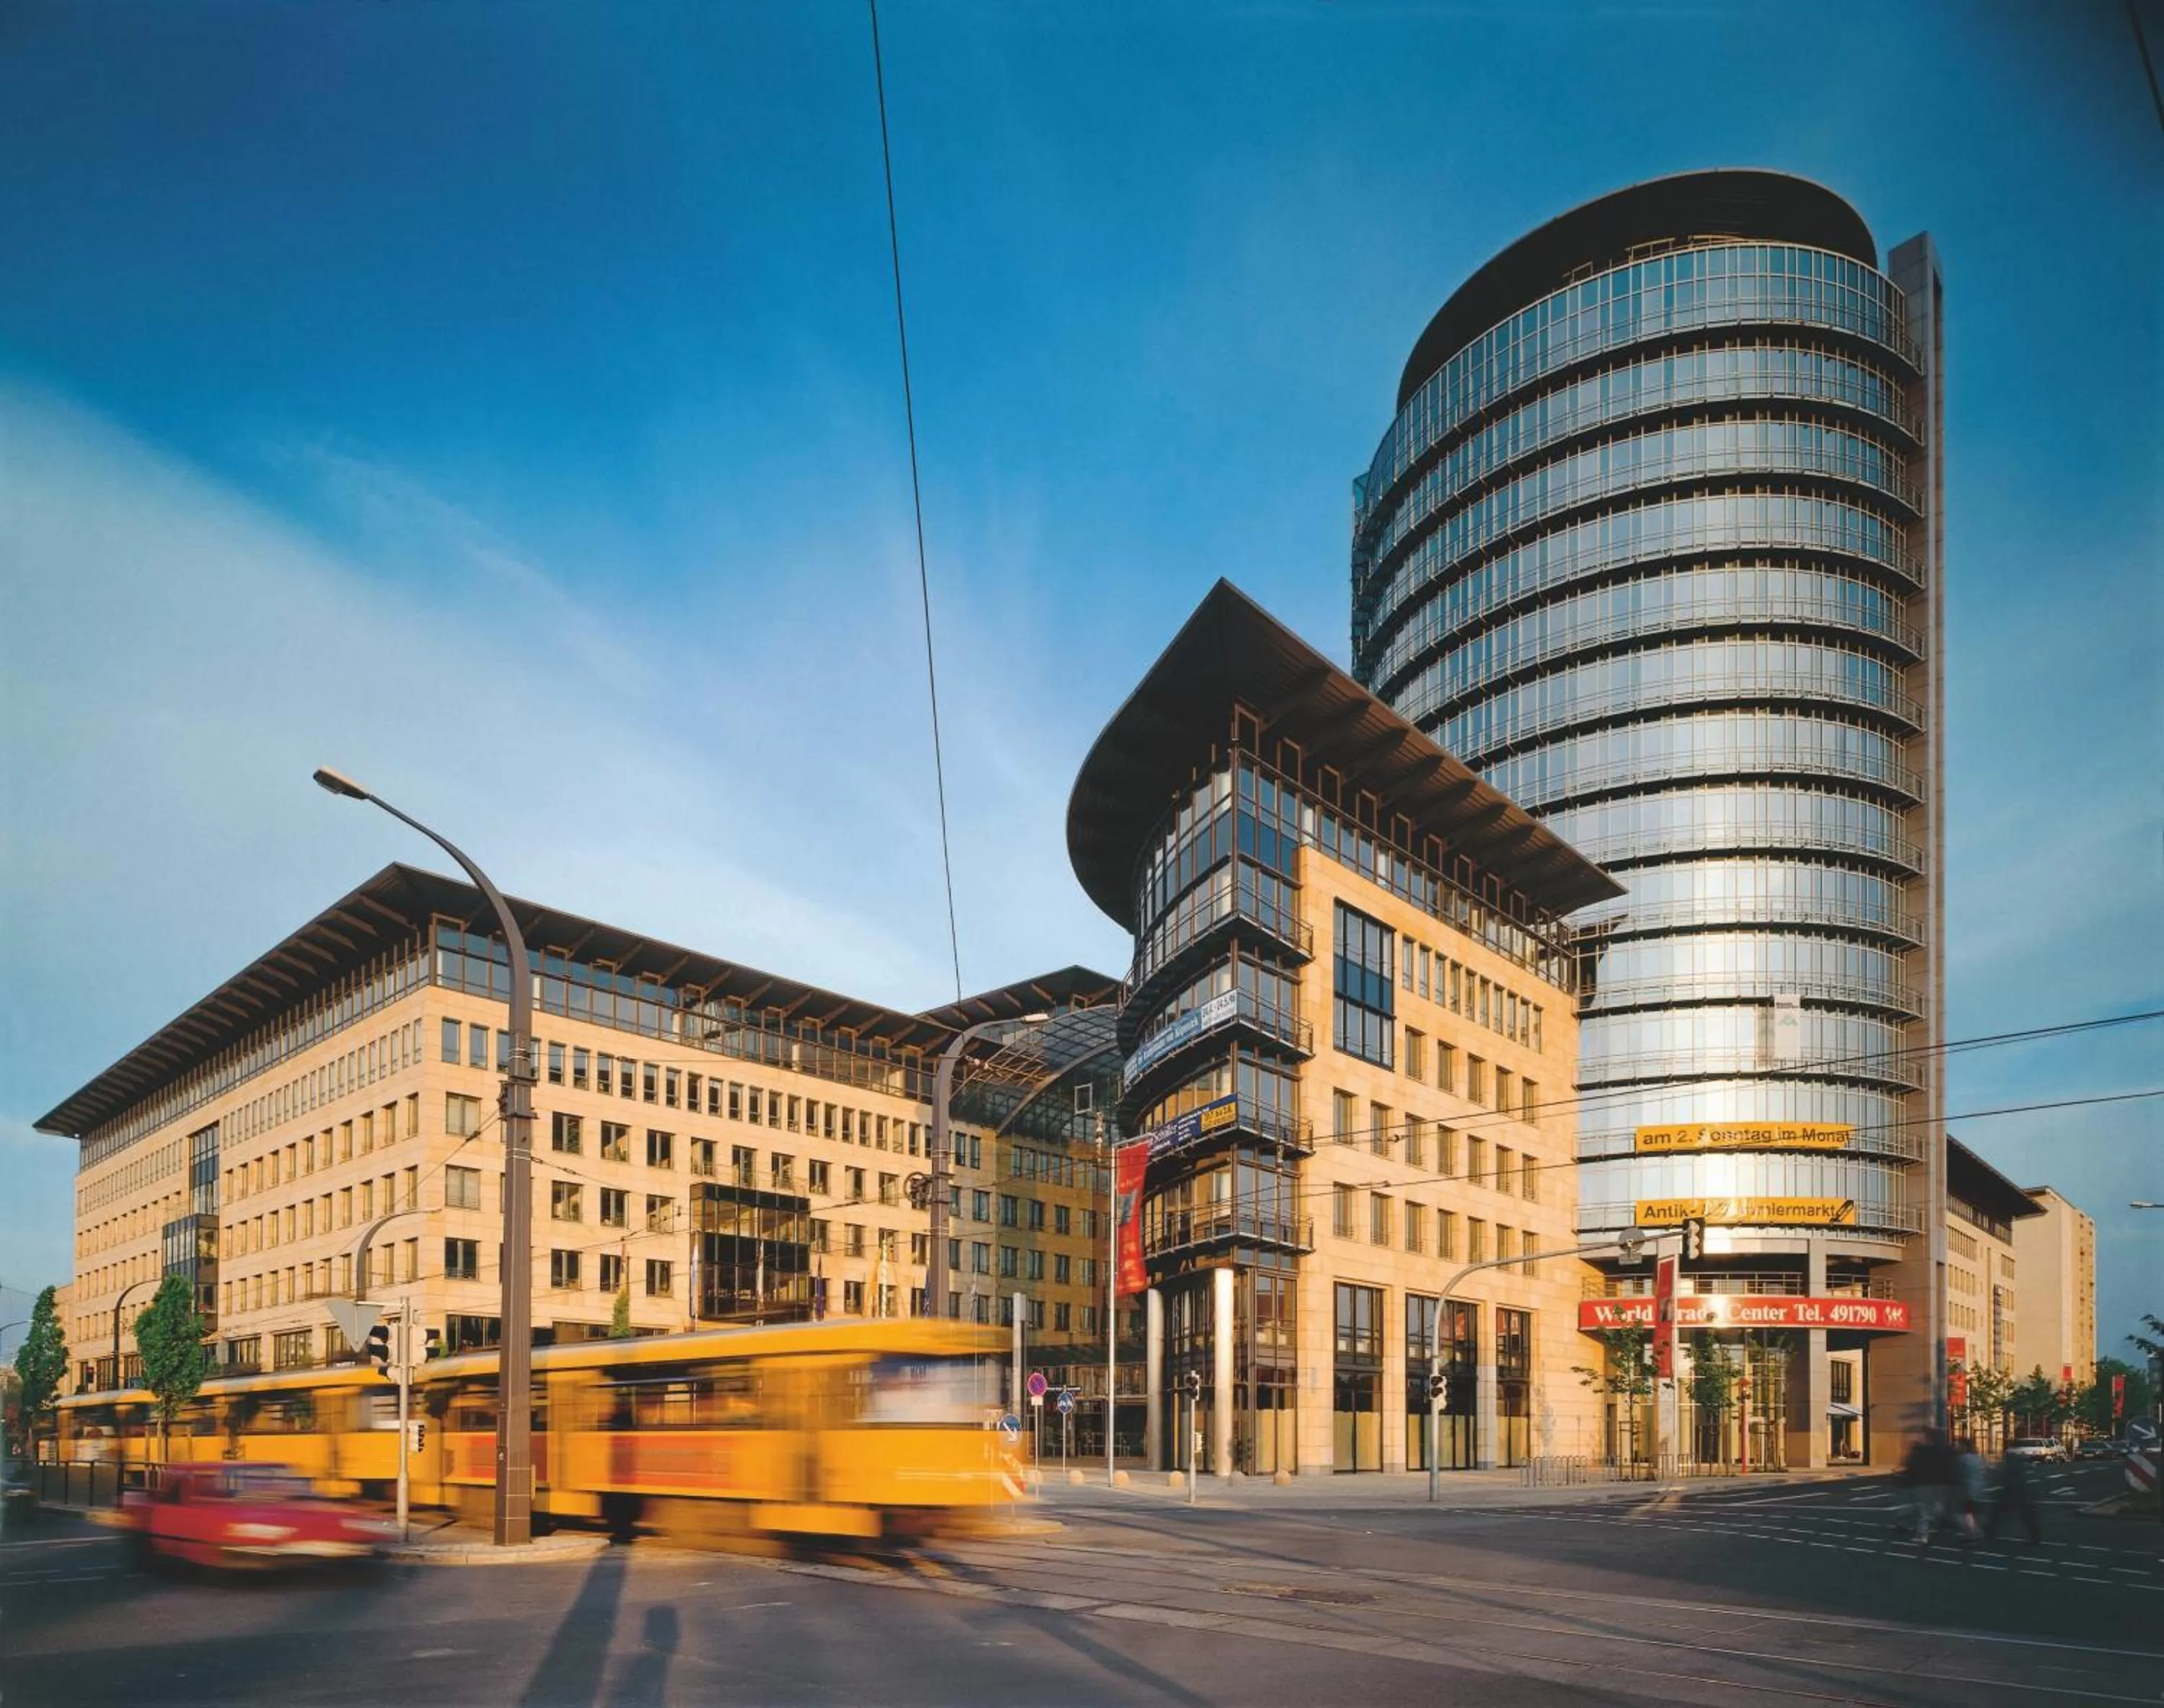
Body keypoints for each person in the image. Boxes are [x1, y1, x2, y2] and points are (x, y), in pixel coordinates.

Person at [1986, 1445, 2043, 1546]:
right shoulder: (2020, 1465)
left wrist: (1993, 1472)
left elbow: (2001, 1476)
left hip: (2010, 1493)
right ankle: (2036, 1537)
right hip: (2022, 1494)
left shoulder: (2008, 1466)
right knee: (2028, 1517)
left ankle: (1989, 1532)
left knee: (1997, 1514)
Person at [1955, 1438, 1986, 1544]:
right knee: (1971, 1512)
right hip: (1979, 1488)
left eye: (1959, 1446)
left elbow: (1958, 1474)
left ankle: (1972, 1535)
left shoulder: (1962, 1459)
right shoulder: (1978, 1458)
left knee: (1965, 1513)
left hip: (1967, 1489)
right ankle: (1977, 1532)